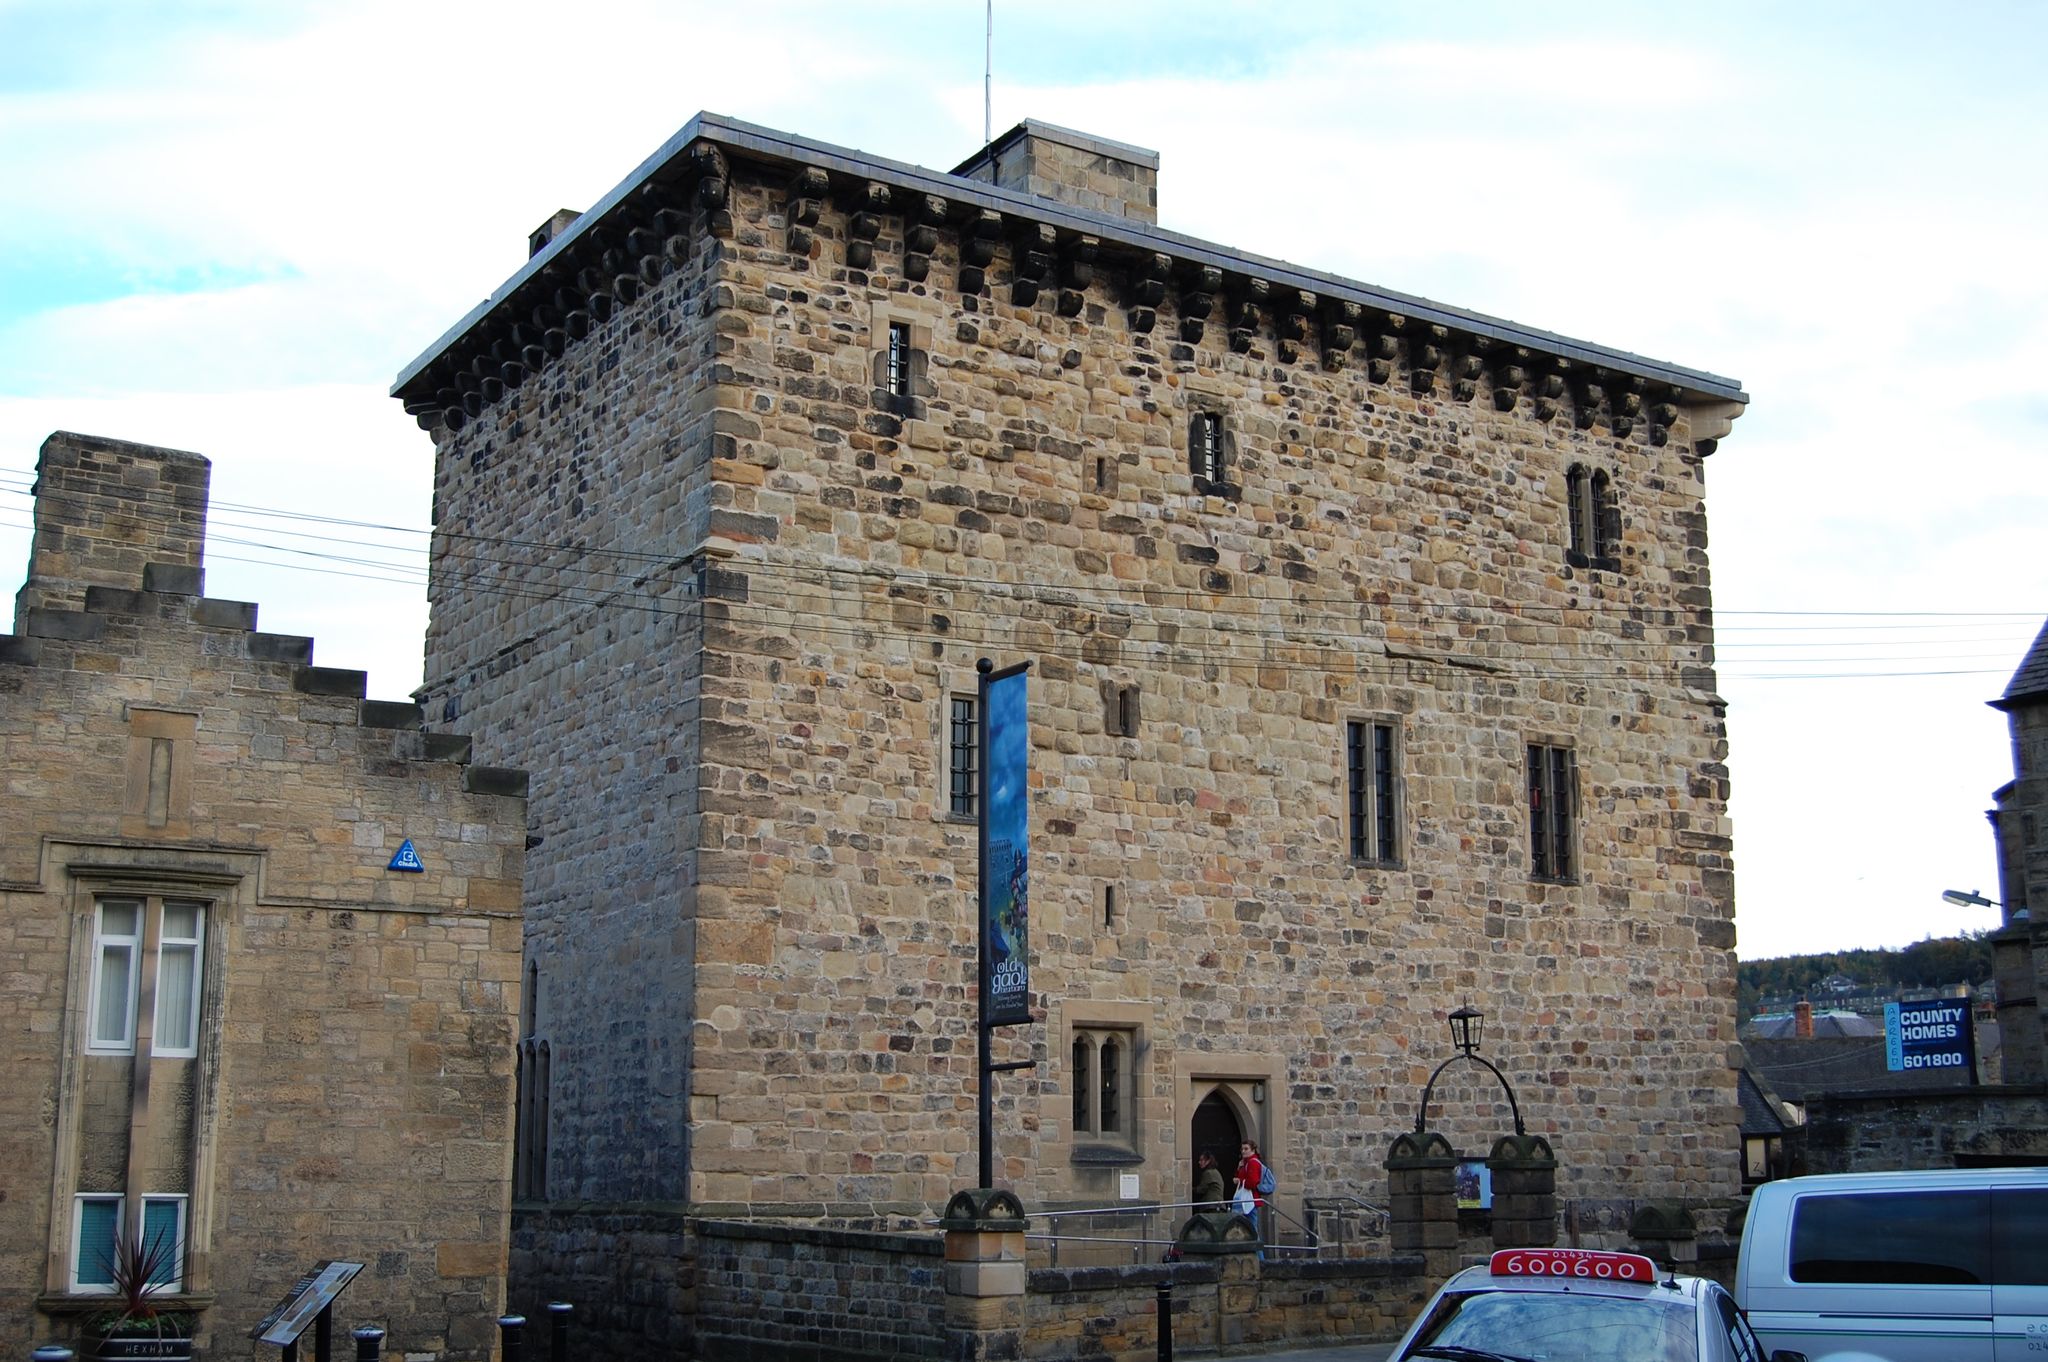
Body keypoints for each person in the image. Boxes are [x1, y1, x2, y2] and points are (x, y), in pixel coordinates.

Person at [1234, 1139, 1269, 1235]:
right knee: (1248, 1229)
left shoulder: (1253, 1163)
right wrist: (1239, 1169)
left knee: (1252, 1230)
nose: (1243, 1151)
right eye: (1242, 1149)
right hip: (1247, 1199)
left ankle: (1257, 1250)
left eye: (1246, 1149)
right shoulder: (1245, 1163)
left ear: (1252, 1150)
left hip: (1251, 1200)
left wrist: (1240, 1181)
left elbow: (1252, 1182)